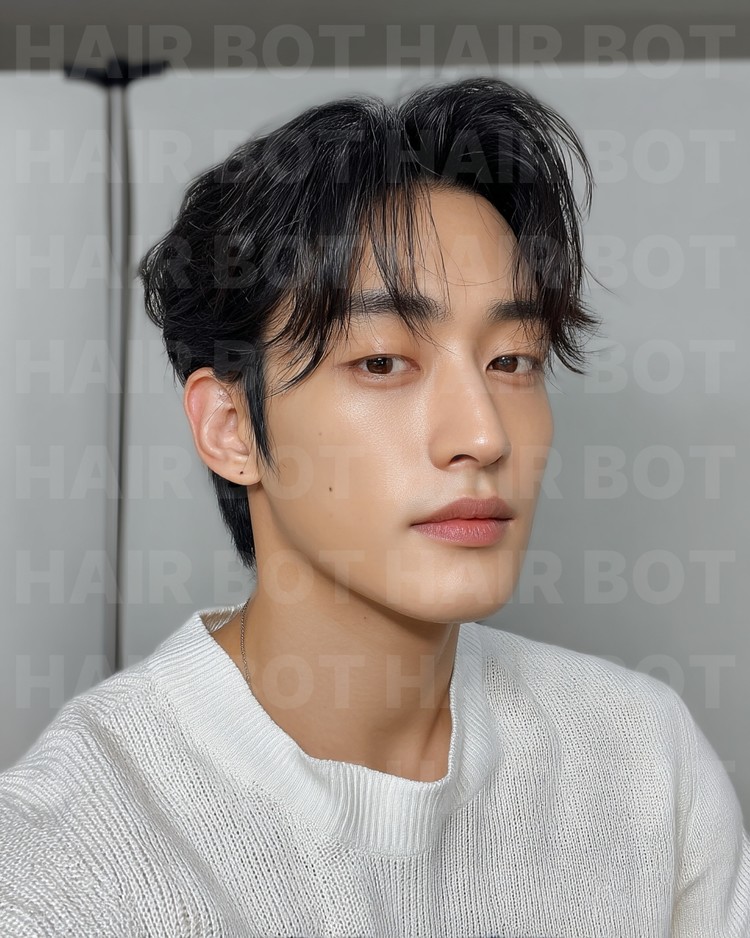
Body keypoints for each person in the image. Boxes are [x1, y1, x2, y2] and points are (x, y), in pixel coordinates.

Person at [1, 75, 748, 936]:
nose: (483, 435)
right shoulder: (62, 865)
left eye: (512, 360)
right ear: (231, 426)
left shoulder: (644, 764)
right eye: (383, 362)